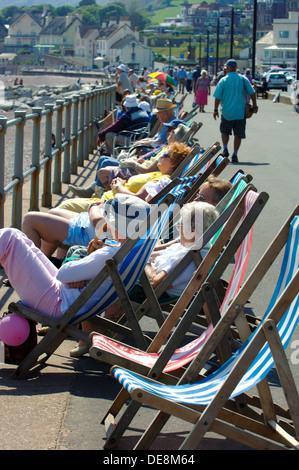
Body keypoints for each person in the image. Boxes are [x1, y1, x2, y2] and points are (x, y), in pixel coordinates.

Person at [0, 195, 151, 353]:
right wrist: (83, 272)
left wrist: (82, 264)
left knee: (10, 237)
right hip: (68, 297)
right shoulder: (127, 252)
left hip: (57, 303)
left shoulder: (108, 254)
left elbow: (63, 274)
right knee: (24, 242)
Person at [21, 142, 191, 258]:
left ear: (174, 163)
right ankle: (48, 262)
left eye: (165, 155)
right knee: (52, 213)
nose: (160, 157)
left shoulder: (159, 188)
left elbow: (102, 223)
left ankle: (35, 268)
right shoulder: (164, 190)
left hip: (100, 231)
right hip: (106, 223)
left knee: (30, 219)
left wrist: (95, 207)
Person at [213, 59, 258, 163]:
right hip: (240, 112)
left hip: (226, 111)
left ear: (227, 68)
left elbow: (217, 97)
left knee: (225, 131)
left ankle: (225, 148)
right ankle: (235, 154)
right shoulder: (243, 79)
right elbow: (252, 92)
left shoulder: (223, 80)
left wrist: (215, 110)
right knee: (238, 134)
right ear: (236, 68)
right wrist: (254, 105)